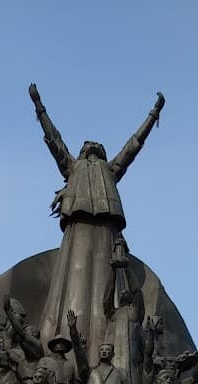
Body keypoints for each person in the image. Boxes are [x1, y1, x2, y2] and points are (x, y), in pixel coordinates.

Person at [28, 83, 165, 364]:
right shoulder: (75, 168)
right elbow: (54, 141)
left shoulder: (108, 170)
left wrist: (153, 115)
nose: (91, 145)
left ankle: (105, 350)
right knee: (75, 283)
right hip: (78, 231)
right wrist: (39, 107)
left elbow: (133, 147)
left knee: (105, 284)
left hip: (106, 231)